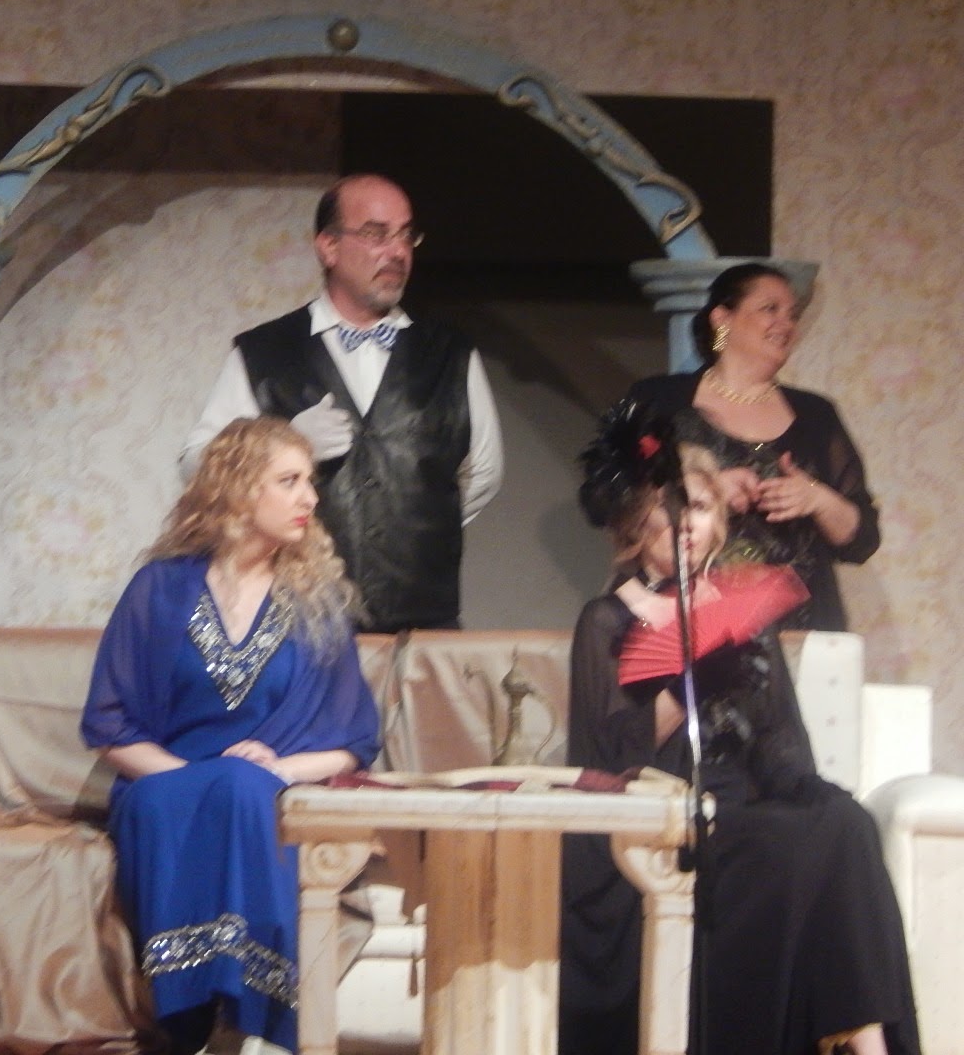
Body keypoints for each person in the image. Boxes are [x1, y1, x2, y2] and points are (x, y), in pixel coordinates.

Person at [560, 406, 919, 1055]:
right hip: (662, 813)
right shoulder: (607, 620)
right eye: (668, 509)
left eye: (698, 507)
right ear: (636, 525)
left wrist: (806, 789)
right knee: (793, 845)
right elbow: (613, 757)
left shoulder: (742, 614)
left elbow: (781, 740)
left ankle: (869, 1044)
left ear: (717, 522)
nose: (685, 524)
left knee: (846, 824)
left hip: (744, 802)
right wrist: (687, 680)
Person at [83, 416, 381, 1055]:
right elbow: (109, 727)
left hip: (268, 791)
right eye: (289, 481)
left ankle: (237, 1020)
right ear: (241, 489)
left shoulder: (317, 601)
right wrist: (197, 779)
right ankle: (192, 1019)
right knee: (219, 790)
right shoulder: (159, 589)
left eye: (310, 482)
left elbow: (354, 741)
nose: (310, 498)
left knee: (244, 789)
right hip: (162, 785)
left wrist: (279, 770)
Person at [181, 173, 502, 632]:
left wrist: (417, 525)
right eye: (376, 234)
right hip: (298, 622)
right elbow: (198, 466)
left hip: (422, 627)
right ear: (328, 247)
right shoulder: (264, 352)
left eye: (405, 235)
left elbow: (483, 471)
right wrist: (279, 448)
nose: (397, 251)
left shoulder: (451, 353)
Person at [621, 262, 879, 630]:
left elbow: (862, 540)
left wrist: (817, 498)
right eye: (770, 309)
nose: (786, 324)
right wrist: (706, 492)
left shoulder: (816, 415)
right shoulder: (659, 400)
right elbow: (609, 498)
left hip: (799, 629)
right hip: (685, 626)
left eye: (793, 315)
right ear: (722, 318)